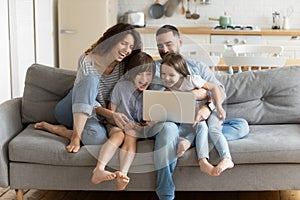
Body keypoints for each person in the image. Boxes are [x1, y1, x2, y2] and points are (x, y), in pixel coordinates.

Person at [153, 25, 249, 200]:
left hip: (197, 121)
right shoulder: (154, 70)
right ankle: (165, 193)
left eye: (168, 44)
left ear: (180, 42)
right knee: (168, 130)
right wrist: (193, 95)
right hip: (173, 123)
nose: (164, 50)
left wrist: (208, 106)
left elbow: (219, 90)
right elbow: (154, 99)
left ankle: (189, 141)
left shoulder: (197, 67)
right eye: (160, 46)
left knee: (241, 126)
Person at [34, 23, 142, 153]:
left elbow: (145, 70)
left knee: (98, 140)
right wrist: (110, 114)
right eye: (124, 43)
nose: (127, 50)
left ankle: (59, 130)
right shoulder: (87, 60)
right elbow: (85, 96)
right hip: (70, 109)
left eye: (131, 47)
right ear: (112, 40)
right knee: (91, 80)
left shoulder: (123, 66)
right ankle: (75, 137)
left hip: (95, 115)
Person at [91, 51, 157, 190]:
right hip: (117, 125)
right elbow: (111, 113)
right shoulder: (121, 87)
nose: (144, 79)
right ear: (131, 73)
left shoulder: (153, 92)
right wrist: (122, 124)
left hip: (134, 129)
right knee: (119, 135)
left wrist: (143, 126)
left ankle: (122, 174)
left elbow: (151, 120)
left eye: (148, 74)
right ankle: (99, 169)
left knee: (131, 135)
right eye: (140, 74)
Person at [160, 52, 234, 176]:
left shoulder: (192, 79)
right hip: (196, 118)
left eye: (171, 75)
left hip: (211, 110)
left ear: (181, 73)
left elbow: (215, 88)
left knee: (214, 129)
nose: (166, 78)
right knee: (202, 127)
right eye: (163, 74)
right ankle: (203, 161)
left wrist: (219, 107)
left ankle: (227, 159)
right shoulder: (168, 88)